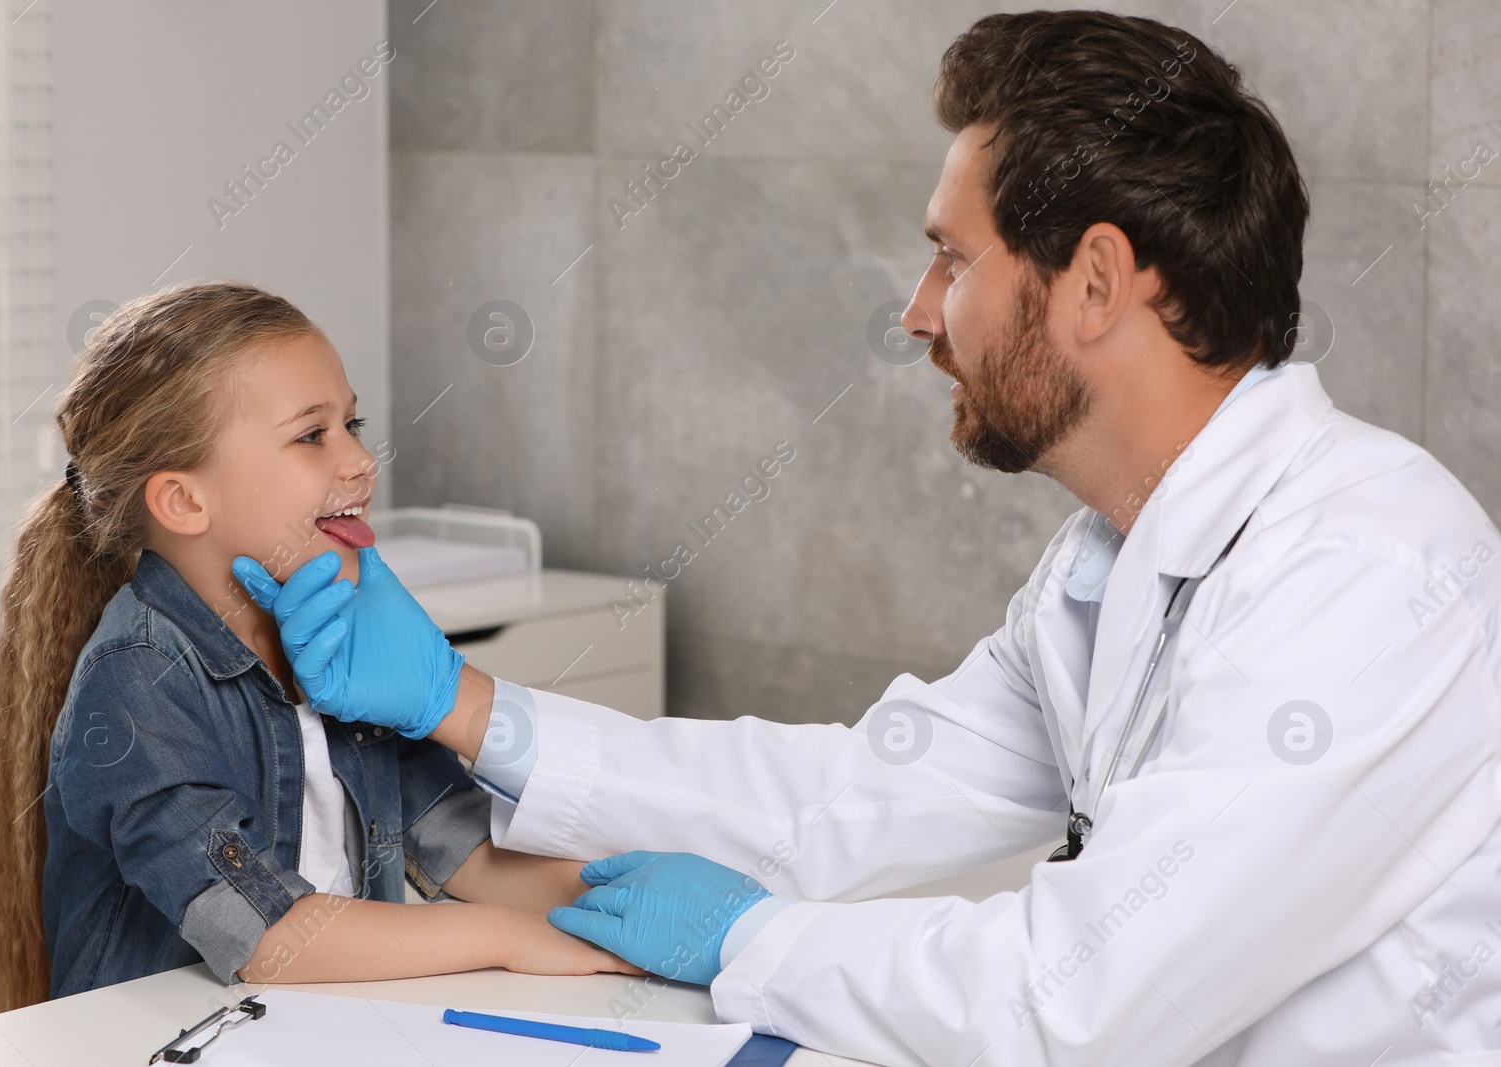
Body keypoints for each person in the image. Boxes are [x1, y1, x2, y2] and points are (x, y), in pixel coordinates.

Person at [233, 12, 1501, 1067]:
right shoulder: (1103, 566)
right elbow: (858, 793)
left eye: (952, 258)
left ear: (1098, 282)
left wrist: (751, 942)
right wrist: (472, 706)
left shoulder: (1367, 573)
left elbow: (1074, 998)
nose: (915, 313)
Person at [0, 280, 639, 1015]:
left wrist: (612, 891)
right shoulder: (138, 677)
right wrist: (510, 938)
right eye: (312, 435)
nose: (361, 459)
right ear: (184, 501)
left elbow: (467, 852)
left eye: (353, 423)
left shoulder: (341, 648)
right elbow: (267, 934)